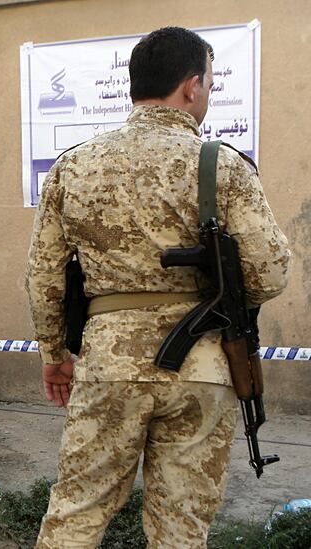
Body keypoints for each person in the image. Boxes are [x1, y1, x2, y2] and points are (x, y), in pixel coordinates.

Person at [26, 27, 291, 548]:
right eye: (210, 86)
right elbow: (270, 273)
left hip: (108, 366)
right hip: (204, 368)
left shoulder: (72, 166)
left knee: (76, 512)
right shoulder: (221, 165)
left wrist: (54, 353)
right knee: (181, 527)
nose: (207, 97)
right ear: (191, 87)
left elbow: (44, 277)